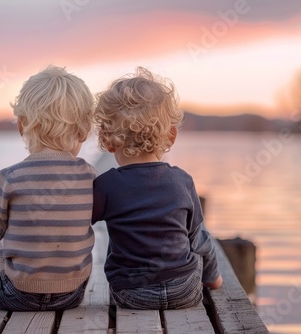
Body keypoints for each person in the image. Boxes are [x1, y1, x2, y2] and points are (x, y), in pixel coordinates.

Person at [0, 65, 98, 311]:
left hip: (17, 294)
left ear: (21, 125)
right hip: (72, 294)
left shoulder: (9, 178)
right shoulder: (89, 177)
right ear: (85, 130)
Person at [92, 67, 223, 310]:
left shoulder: (105, 185)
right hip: (184, 291)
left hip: (131, 294)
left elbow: (76, 226)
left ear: (108, 140)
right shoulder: (182, 181)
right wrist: (213, 278)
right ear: (171, 136)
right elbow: (199, 239)